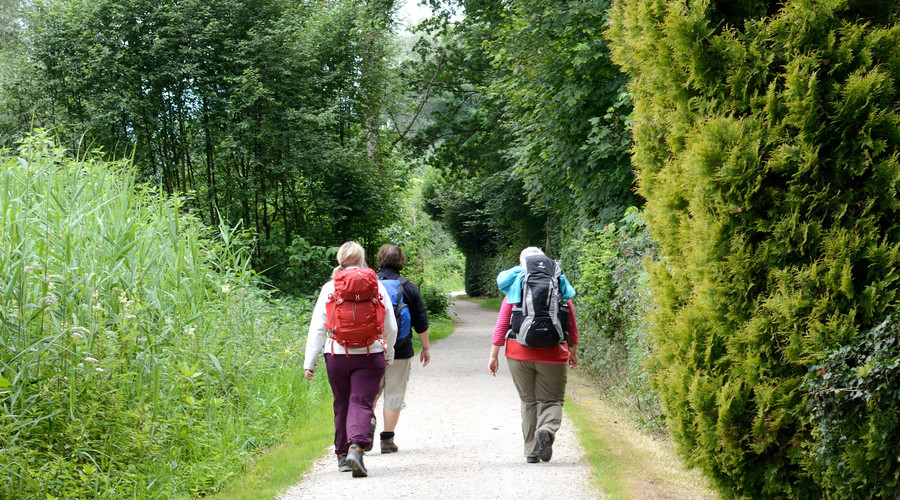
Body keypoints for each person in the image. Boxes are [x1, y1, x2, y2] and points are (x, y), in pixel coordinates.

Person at [304, 241, 397, 477]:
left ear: (340, 260)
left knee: (342, 403)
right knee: (361, 402)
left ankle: (343, 456)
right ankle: (357, 447)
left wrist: (310, 362)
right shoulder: (377, 285)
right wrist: (388, 352)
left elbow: (318, 328)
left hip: (337, 355)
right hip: (370, 353)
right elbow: (391, 325)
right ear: (362, 259)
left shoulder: (329, 288)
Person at [488, 246, 578, 464]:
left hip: (518, 353)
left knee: (528, 402)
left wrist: (494, 355)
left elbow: (502, 324)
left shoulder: (516, 284)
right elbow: (571, 321)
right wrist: (573, 350)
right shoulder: (558, 283)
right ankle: (546, 429)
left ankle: (531, 452)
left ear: (522, 265)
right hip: (554, 354)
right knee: (552, 400)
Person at [373, 244, 431, 453]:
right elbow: (421, 321)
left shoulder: (368, 284)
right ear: (401, 261)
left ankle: (364, 428)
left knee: (369, 393)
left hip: (371, 349)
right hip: (401, 349)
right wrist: (425, 348)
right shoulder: (408, 287)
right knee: (394, 394)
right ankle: (387, 441)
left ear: (379, 260)